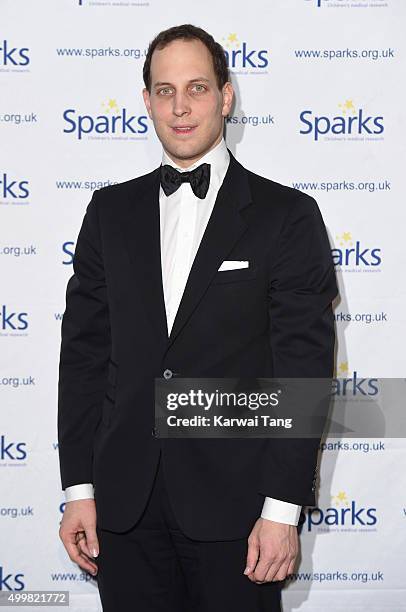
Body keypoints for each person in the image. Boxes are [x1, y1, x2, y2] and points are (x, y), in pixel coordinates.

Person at [57, 23, 338, 612]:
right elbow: (82, 357)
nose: (180, 107)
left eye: (197, 88)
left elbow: (302, 375)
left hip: (239, 512)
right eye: (164, 91)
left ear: (226, 96)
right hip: (125, 509)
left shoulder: (287, 216)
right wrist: (79, 489)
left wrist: (281, 509)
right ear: (146, 102)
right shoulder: (109, 211)